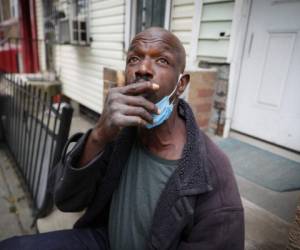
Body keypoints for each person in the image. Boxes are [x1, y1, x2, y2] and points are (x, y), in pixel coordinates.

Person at [0, 27, 244, 250]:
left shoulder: (212, 173)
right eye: (134, 59)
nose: (143, 69)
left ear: (181, 85)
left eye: (162, 60)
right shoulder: (118, 136)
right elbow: (65, 200)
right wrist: (99, 135)